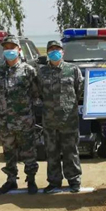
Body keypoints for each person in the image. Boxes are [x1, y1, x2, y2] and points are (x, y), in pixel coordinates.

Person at [0, 35, 39, 195]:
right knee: (8, 152)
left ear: (19, 50)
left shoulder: (28, 71)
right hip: (5, 121)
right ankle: (11, 180)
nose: (9, 50)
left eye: (12, 48)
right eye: (6, 48)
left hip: (24, 120)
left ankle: (31, 180)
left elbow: (35, 93)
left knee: (29, 151)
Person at [36, 39, 83, 194]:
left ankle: (74, 180)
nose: (54, 52)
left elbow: (79, 90)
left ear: (63, 52)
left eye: (57, 49)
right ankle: (54, 181)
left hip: (69, 120)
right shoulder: (41, 72)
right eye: (51, 50)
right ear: (47, 53)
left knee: (71, 151)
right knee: (51, 152)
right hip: (49, 120)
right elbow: (38, 92)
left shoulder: (73, 69)